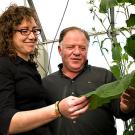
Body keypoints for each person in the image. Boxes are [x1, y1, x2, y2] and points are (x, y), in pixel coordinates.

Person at [0, 5, 89, 135]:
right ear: (8, 33)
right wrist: (57, 109)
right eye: (24, 30)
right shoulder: (3, 65)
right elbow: (6, 123)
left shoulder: (28, 67)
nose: (32, 36)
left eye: (35, 30)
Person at [42, 26, 135, 135]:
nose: (77, 52)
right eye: (71, 47)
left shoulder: (104, 76)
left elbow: (121, 111)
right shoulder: (46, 84)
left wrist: (126, 107)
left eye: (82, 48)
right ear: (59, 50)